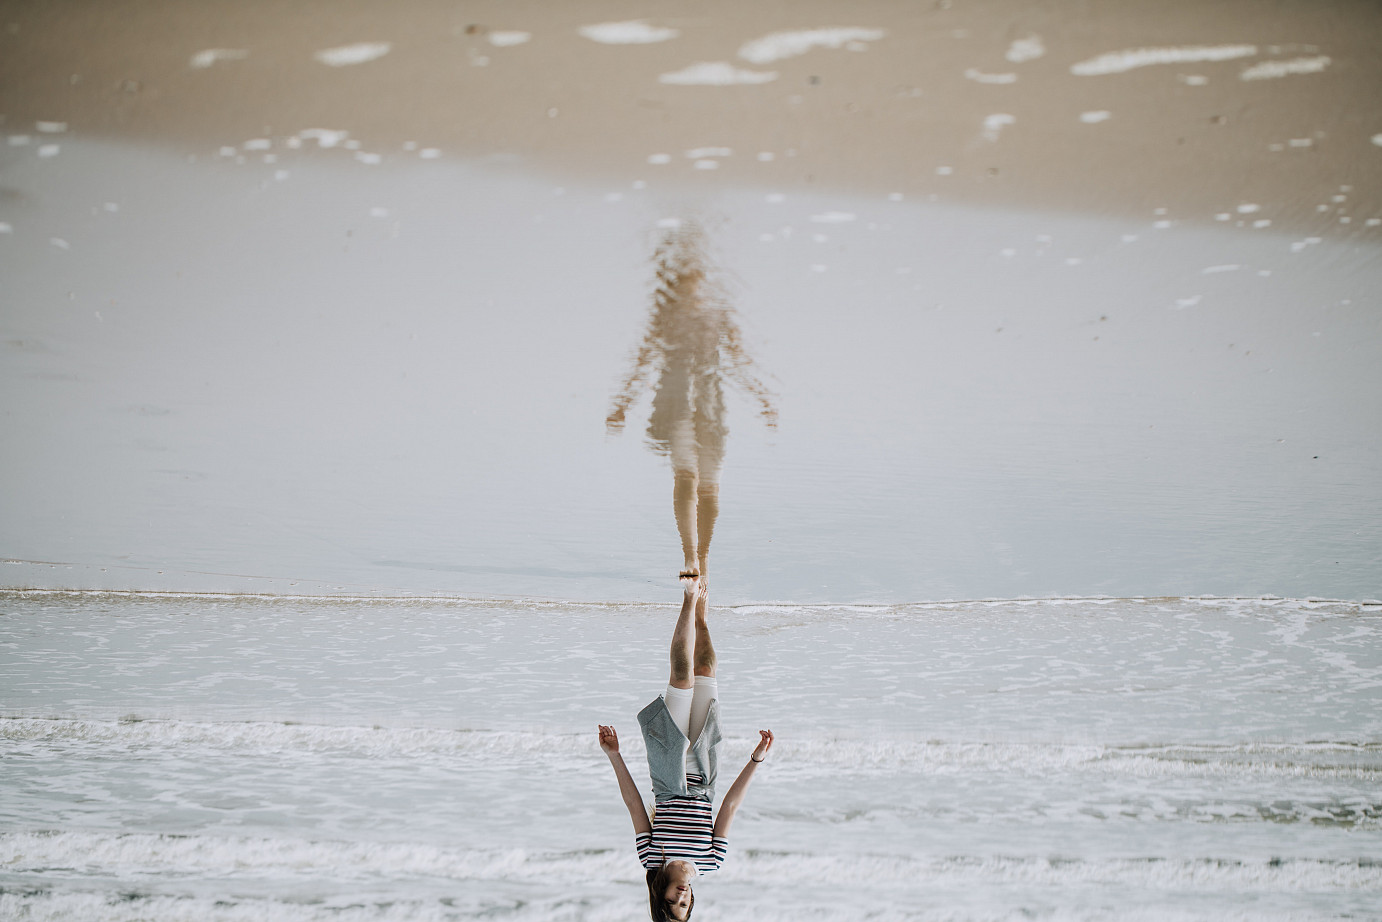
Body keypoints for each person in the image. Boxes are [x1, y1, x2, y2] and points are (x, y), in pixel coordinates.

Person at [606, 222, 777, 580]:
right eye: (683, 271)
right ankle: (688, 555)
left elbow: (738, 358)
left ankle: (704, 556)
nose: (690, 277)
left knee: (710, 486)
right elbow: (644, 358)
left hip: (711, 403)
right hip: (674, 402)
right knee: (686, 474)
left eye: (694, 270)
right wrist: (623, 402)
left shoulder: (717, 311)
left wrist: (762, 398)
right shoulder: (665, 313)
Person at [599, 574, 774, 921]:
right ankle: (700, 618)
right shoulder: (712, 862)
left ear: (659, 896)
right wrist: (756, 760)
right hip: (706, 771)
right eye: (685, 905)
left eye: (672, 903)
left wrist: (614, 756)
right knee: (706, 666)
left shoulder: (651, 858)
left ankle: (689, 597)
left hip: (667, 772)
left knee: (681, 678)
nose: (681, 898)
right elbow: (731, 806)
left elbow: (634, 804)